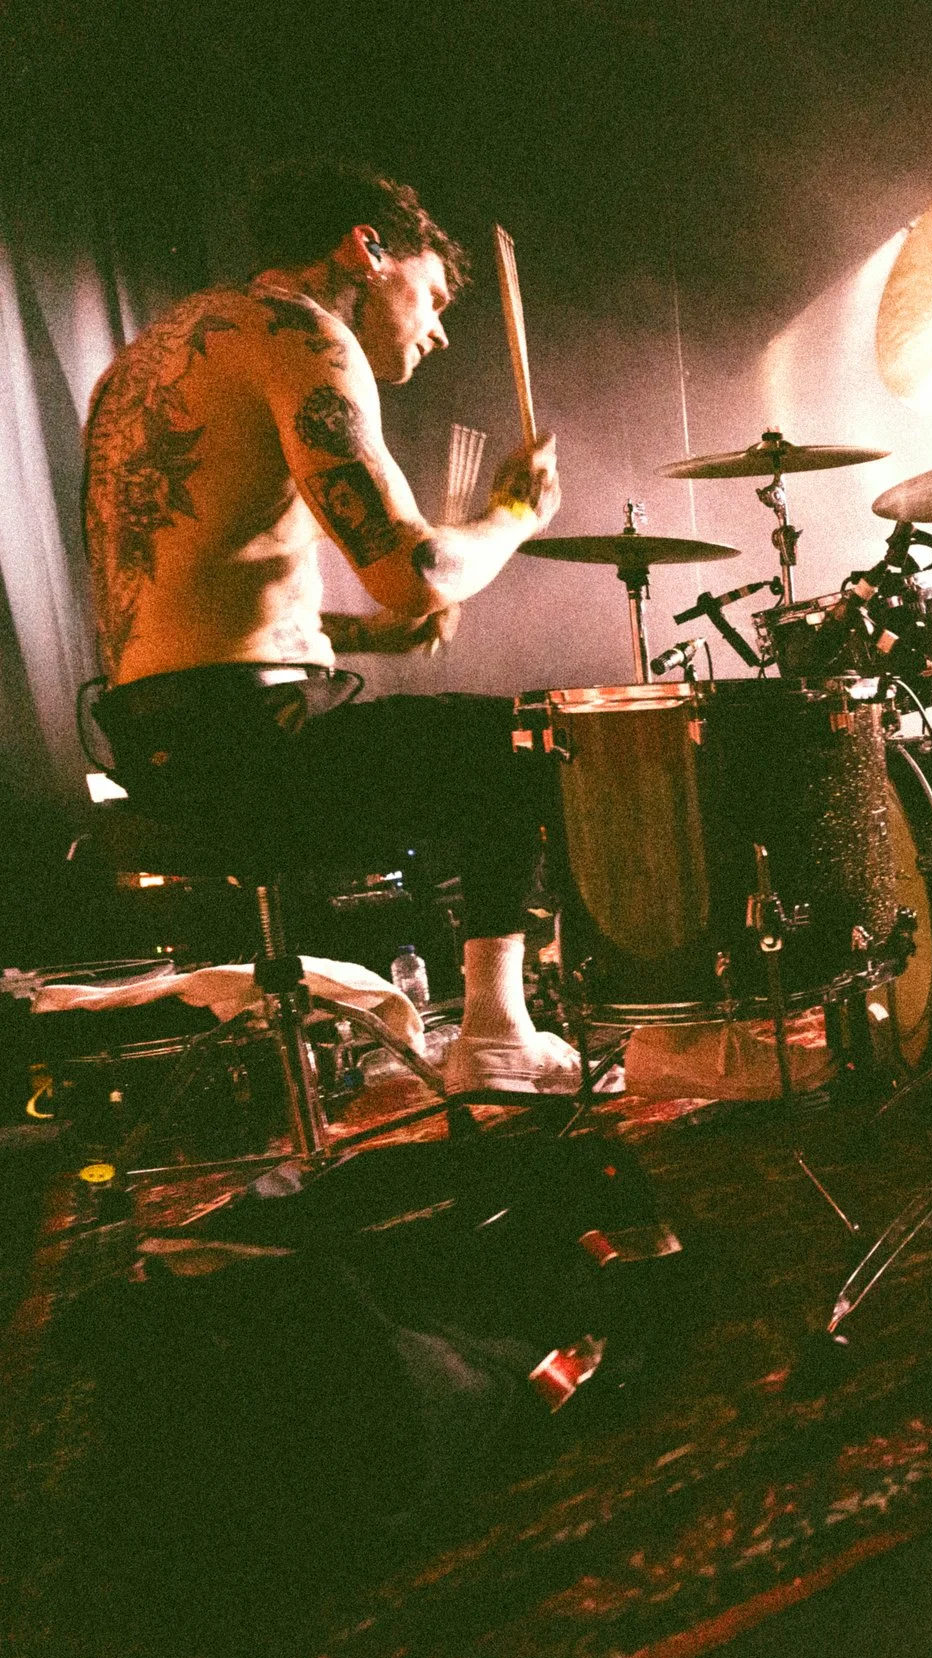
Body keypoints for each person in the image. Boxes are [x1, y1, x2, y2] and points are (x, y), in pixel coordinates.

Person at [84, 162, 573, 1095]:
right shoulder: (302, 334)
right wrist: (516, 513)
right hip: (245, 754)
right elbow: (414, 571)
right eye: (429, 295)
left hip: (151, 750)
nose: (433, 328)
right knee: (517, 738)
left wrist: (370, 640)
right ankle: (498, 1033)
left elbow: (195, 599)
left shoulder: (142, 363)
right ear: (366, 247)